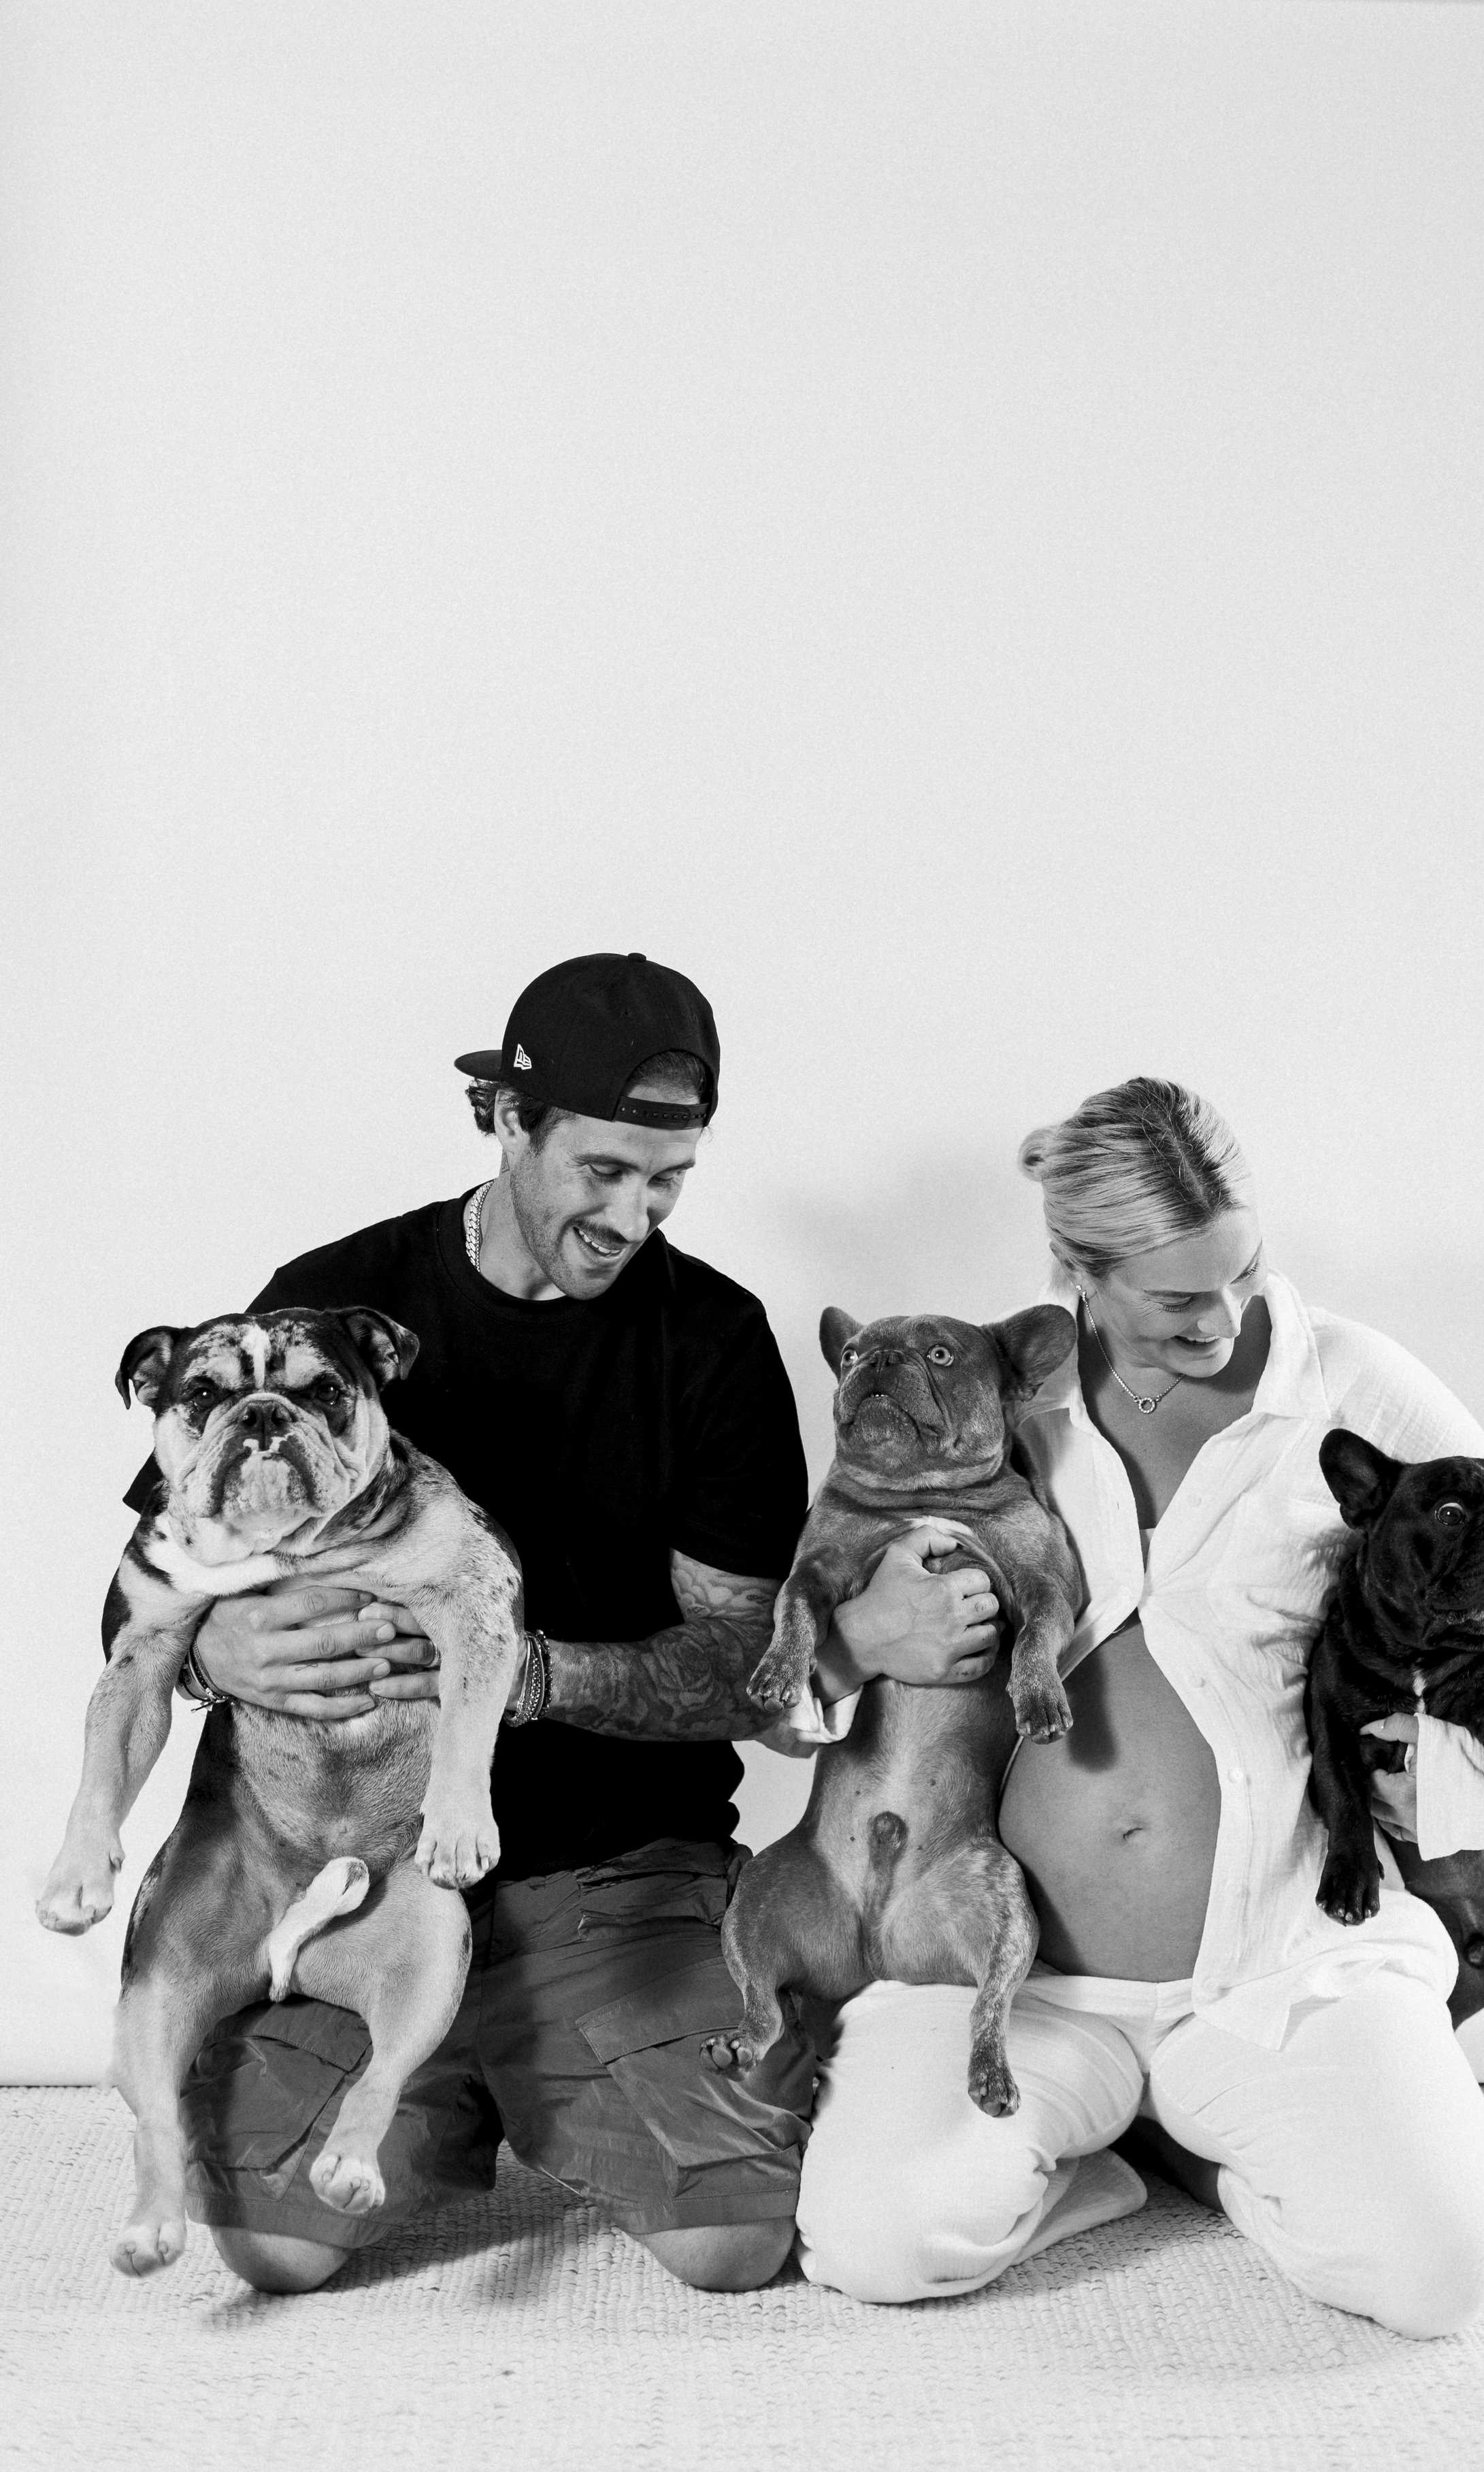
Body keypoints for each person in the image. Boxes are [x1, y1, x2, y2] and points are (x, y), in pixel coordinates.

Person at [143, 953, 1002, 2295]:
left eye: (667, 1181)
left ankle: (574, 2058)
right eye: (601, 1171)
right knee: (270, 2248)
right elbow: (153, 1566)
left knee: (733, 2243)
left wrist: (518, 1674)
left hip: (616, 1876)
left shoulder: (710, 1339)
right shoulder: (333, 1302)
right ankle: (440, 2068)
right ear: (506, 1119)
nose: (629, 1216)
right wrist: (209, 1650)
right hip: (356, 1874)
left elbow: (740, 1663)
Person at [787, 1078, 1484, 2337]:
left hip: (1281, 1963)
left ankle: (1213, 2141)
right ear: (1078, 1271)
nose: (1225, 1316)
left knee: (1445, 2272)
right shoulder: (989, 1396)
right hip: (1011, 1978)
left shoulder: (1346, 1378)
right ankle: (1113, 2163)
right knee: (874, 2243)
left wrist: (1450, 1787)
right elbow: (814, 1628)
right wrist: (859, 1639)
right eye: (1179, 1297)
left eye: (1244, 1272)